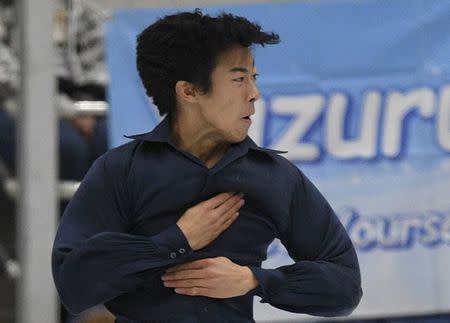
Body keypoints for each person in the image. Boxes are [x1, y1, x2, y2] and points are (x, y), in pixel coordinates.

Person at [52, 10, 362, 323]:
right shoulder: (120, 170)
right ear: (189, 91)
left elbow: (345, 286)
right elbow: (73, 284)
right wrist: (176, 240)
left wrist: (254, 280)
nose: (254, 94)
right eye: (239, 79)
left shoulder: (275, 175)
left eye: (253, 79)